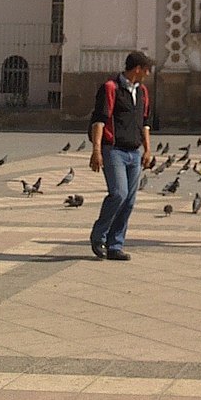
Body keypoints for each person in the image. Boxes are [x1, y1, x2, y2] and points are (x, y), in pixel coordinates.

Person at [88, 51, 153, 261]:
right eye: (146, 70)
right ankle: (99, 236)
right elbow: (100, 120)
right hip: (113, 149)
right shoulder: (110, 88)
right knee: (118, 193)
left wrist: (148, 149)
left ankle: (115, 244)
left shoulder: (142, 91)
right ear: (137, 69)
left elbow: (145, 123)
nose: (148, 74)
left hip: (134, 151)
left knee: (130, 201)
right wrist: (96, 150)